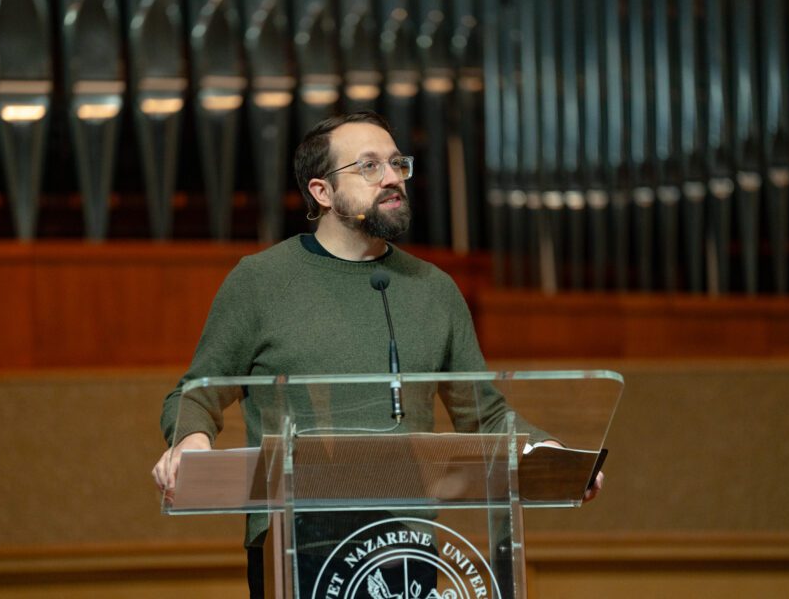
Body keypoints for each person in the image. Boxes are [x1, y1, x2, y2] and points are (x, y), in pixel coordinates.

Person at [151, 111, 603, 598]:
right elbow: (195, 394)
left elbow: (484, 413)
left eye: (396, 163)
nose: (392, 178)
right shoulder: (260, 282)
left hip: (404, 547)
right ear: (321, 192)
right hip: (298, 546)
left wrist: (545, 452)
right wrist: (190, 442)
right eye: (368, 167)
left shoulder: (435, 289)